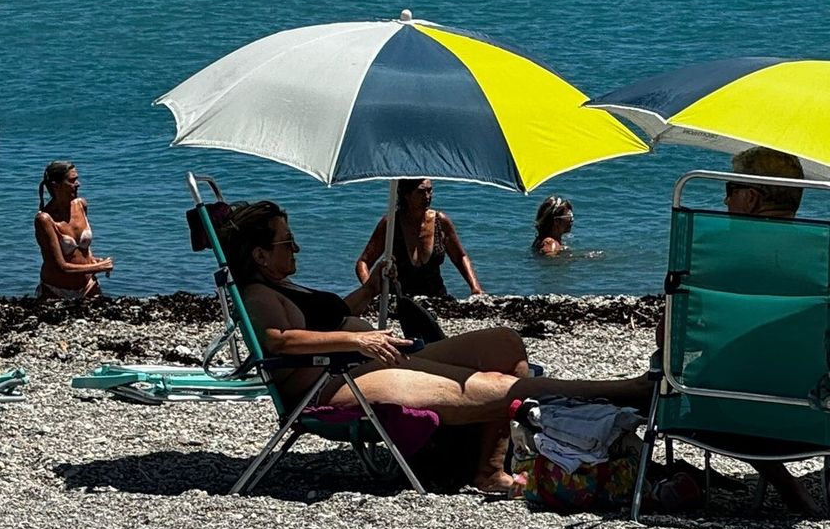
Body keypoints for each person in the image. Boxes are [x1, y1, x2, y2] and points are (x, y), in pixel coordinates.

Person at [231, 200, 651, 494]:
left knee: (504, 343)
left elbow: (329, 315)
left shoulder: (282, 285)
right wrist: (357, 338)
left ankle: (491, 464)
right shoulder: (257, 295)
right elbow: (278, 341)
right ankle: (627, 390)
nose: (297, 247)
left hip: (366, 361)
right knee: (492, 384)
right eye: (287, 242)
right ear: (261, 255)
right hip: (333, 384)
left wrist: (372, 287)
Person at [717, 146, 819, 515]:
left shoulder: (713, 257)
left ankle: (782, 481)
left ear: (751, 197)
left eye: (728, 191)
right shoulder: (820, 258)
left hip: (720, 408)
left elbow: (667, 341)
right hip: (813, 412)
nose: (725, 202)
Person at [355, 179, 485, 298]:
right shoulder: (391, 224)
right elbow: (363, 263)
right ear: (407, 195)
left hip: (437, 298)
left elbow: (460, 257)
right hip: (399, 301)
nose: (427, 197)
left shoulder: (441, 222)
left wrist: (475, 288)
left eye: (430, 190)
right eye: (421, 192)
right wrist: (371, 292)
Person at [33, 160, 113, 301]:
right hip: (56, 291)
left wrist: (93, 260)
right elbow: (61, 267)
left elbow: (84, 250)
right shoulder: (45, 219)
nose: (78, 184)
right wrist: (99, 267)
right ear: (56, 185)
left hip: (88, 286)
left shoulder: (81, 205)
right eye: (72, 181)